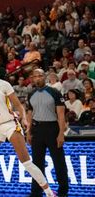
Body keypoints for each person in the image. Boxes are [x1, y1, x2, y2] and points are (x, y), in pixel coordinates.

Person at [0, 60, 54, 197]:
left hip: (10, 124)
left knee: (26, 161)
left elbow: (18, 105)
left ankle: (49, 192)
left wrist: (24, 118)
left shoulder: (4, 84)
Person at [26, 68, 69, 197]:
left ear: (44, 77)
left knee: (59, 162)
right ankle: (36, 192)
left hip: (52, 129)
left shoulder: (54, 92)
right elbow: (29, 113)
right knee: (36, 164)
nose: (37, 78)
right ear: (32, 79)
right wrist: (28, 131)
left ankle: (63, 192)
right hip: (37, 130)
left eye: (40, 75)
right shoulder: (31, 94)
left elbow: (61, 115)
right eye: (35, 76)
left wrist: (61, 133)